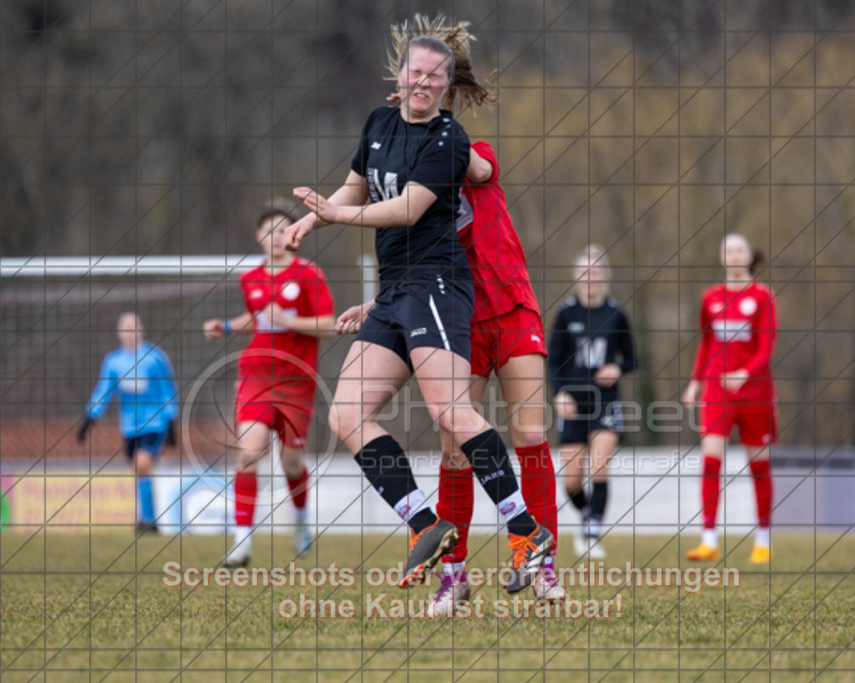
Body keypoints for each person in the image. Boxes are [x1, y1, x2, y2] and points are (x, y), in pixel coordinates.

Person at [286, 14, 554, 594]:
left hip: (437, 285)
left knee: (452, 416)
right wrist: (312, 219)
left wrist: (340, 217)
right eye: (417, 72)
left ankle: (526, 532)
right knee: (346, 415)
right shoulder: (379, 122)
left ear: (446, 84)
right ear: (399, 74)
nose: (425, 82)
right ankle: (426, 524)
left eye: (437, 76)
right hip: (394, 291)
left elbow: (407, 209)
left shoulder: (448, 140)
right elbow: (357, 187)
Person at [338, 139, 566, 612]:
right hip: (457, 322)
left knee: (530, 433)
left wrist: (439, 126)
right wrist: (378, 306)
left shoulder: (465, 151)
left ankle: (542, 569)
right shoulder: (412, 200)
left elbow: (480, 169)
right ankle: (455, 578)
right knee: (454, 449)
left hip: (511, 309)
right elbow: (414, 270)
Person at [202, 198, 335, 567]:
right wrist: (227, 327)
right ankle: (241, 543)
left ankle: (301, 521)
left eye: (283, 230)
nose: (276, 237)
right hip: (257, 375)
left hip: (297, 380)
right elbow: (255, 317)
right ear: (258, 236)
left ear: (295, 236)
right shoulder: (251, 278)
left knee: (291, 462)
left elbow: (329, 324)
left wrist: (289, 322)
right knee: (248, 452)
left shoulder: (310, 274)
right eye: (269, 231)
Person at [682, 233, 777, 564]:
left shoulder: (763, 297)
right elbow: (706, 343)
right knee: (710, 462)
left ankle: (763, 540)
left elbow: (766, 349)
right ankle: (708, 540)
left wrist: (744, 374)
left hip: (755, 392)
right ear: (722, 257)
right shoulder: (710, 298)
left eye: (740, 250)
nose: (735, 256)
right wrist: (696, 381)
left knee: (759, 466)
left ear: (749, 256)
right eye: (729, 251)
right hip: (717, 390)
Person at [549, 245, 636, 559]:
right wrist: (559, 393)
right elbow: (553, 361)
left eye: (595, 272)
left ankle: (591, 533)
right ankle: (587, 516)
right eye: (584, 272)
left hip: (606, 402)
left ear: (604, 277)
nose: (590, 278)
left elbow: (632, 358)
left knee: (600, 467)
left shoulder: (616, 313)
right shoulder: (565, 314)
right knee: (572, 481)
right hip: (573, 403)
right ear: (576, 277)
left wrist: (618, 367)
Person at [78, 312, 178, 534]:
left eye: (133, 326)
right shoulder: (113, 362)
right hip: (129, 426)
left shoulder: (154, 357)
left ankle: (148, 520)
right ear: (119, 332)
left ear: (141, 330)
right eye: (125, 327)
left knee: (142, 463)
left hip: (154, 423)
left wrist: (172, 420)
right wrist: (90, 418)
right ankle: (149, 520)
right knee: (138, 470)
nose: (129, 331)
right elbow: (104, 391)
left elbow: (167, 389)